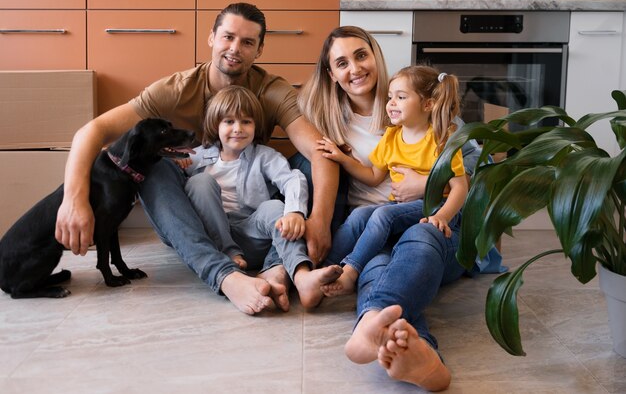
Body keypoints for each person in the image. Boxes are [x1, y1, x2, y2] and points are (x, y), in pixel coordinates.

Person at [54, 2, 339, 315]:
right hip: (188, 214)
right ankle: (225, 275)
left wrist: (319, 221)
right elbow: (91, 132)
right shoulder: (175, 90)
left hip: (250, 210)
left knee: (308, 162)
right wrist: (74, 199)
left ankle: (278, 270)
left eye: (247, 42)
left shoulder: (271, 90)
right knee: (157, 165)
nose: (234, 48)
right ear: (211, 38)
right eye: (228, 37)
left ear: (259, 50)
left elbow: (319, 152)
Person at [297, 26, 505, 391]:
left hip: (433, 226)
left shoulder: (425, 107)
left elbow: (470, 175)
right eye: (342, 63)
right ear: (332, 75)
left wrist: (426, 184)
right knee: (380, 264)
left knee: (421, 234)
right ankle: (425, 359)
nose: (355, 68)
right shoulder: (332, 123)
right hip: (374, 236)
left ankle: (368, 323)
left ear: (375, 56)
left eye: (361, 55)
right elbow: (371, 173)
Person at [182, 85, 342, 308]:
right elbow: (172, 182)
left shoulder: (263, 156)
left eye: (246, 122)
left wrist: (294, 212)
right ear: (215, 125)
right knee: (199, 182)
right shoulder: (198, 157)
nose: (238, 129)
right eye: (229, 122)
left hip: (251, 232)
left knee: (275, 207)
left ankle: (301, 275)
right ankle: (230, 256)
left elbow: (292, 178)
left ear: (255, 126)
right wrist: (176, 160)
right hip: (216, 239)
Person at [316, 66, 468, 297]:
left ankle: (351, 270)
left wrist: (443, 216)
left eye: (401, 97)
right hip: (401, 207)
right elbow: (373, 176)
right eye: (390, 97)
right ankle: (323, 267)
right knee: (359, 216)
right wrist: (343, 159)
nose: (391, 103)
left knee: (382, 215)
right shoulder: (391, 136)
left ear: (427, 104)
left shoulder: (441, 139)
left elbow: (460, 187)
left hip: (436, 207)